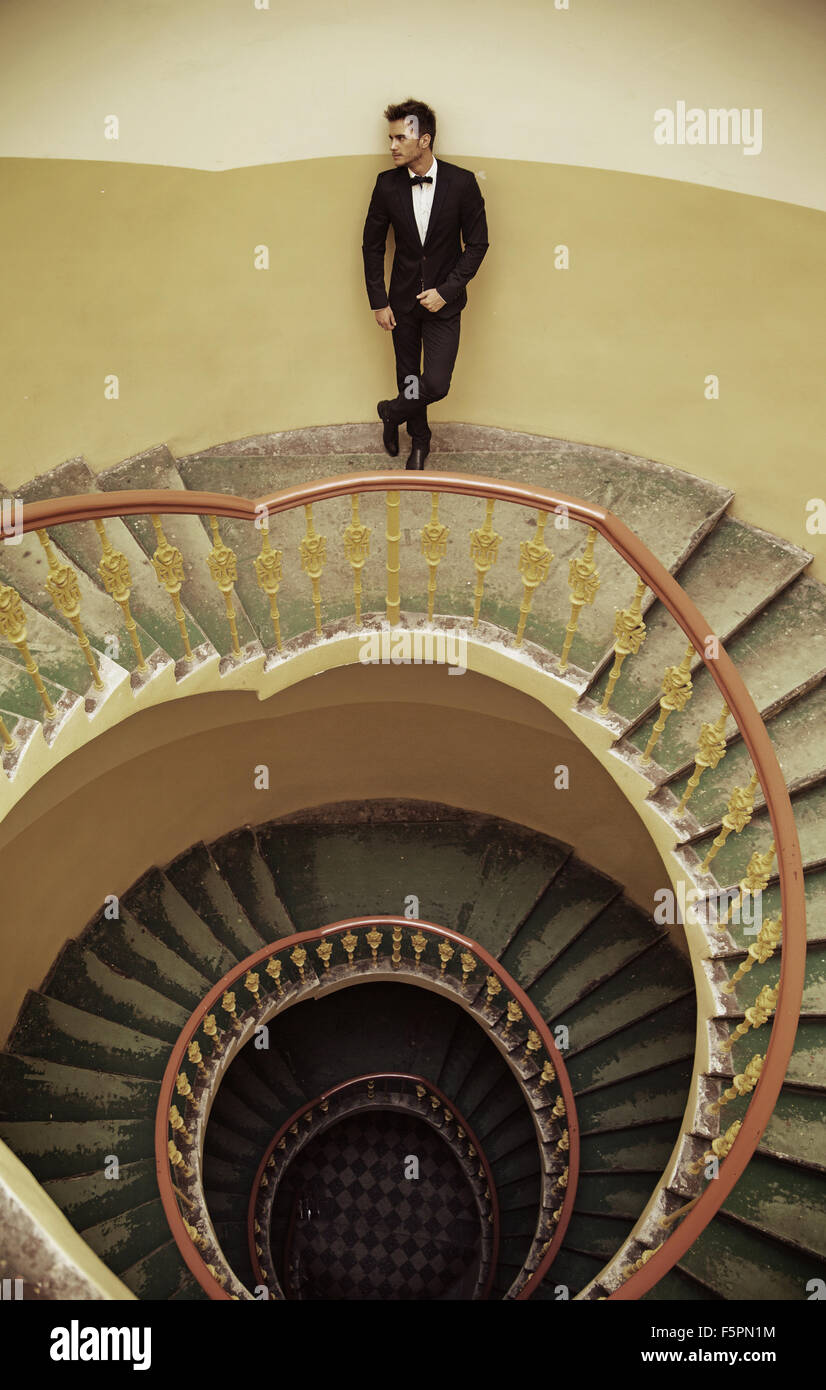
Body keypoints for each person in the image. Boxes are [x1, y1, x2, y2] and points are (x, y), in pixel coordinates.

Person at [362, 98, 489, 469]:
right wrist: (378, 301)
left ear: (424, 139)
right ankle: (420, 440)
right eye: (391, 138)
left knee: (435, 383)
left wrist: (447, 291)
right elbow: (371, 246)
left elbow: (477, 244)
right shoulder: (386, 185)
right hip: (400, 302)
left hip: (444, 304)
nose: (392, 146)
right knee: (410, 376)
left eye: (400, 137)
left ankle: (390, 411)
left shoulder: (461, 183)